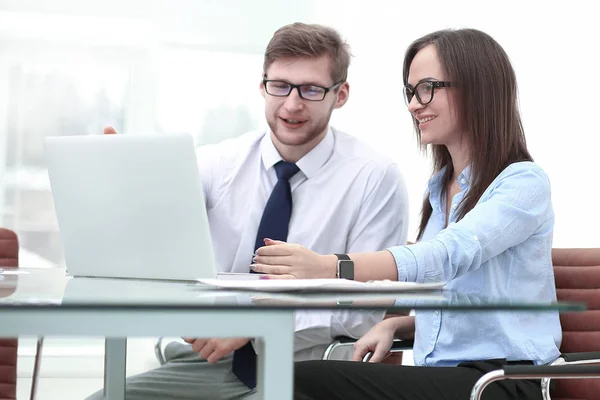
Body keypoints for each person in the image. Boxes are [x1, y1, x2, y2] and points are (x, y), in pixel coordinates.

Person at [87, 22, 409, 400]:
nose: (292, 103)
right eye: (280, 86)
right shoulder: (216, 162)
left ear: (340, 95)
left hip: (308, 369)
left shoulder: (375, 178)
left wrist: (257, 324)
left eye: (311, 89)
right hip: (206, 363)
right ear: (262, 86)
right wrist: (120, 190)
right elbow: (155, 239)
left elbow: (363, 310)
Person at [253, 28, 562, 400]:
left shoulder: (523, 183)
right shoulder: (441, 188)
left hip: (501, 382)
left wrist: (330, 266)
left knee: (298, 381)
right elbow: (467, 305)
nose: (415, 104)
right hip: (451, 378)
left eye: (428, 87)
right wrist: (404, 324)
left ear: (478, 90)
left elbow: (445, 257)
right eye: (412, 91)